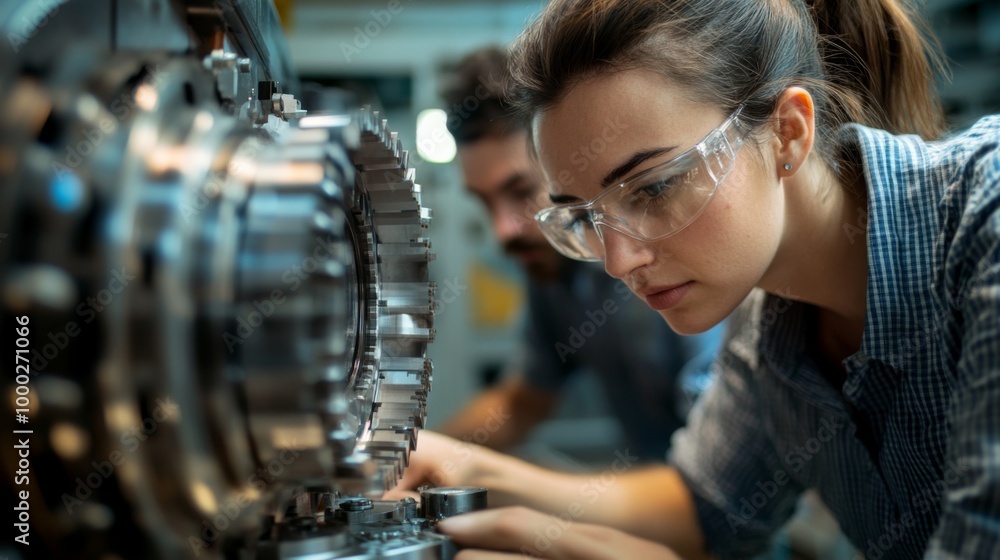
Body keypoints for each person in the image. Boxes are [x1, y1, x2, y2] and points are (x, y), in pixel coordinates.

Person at [390, 1, 1000, 559]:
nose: (619, 262)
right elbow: (706, 508)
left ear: (787, 131)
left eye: (654, 187)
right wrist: (462, 468)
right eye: (585, 217)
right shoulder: (767, 325)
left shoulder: (985, 217)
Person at [435, 46, 722, 462]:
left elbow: (715, 482)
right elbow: (524, 401)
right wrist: (407, 458)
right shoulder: (555, 272)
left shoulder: (666, 261)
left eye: (520, 193)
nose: (502, 231)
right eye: (484, 202)